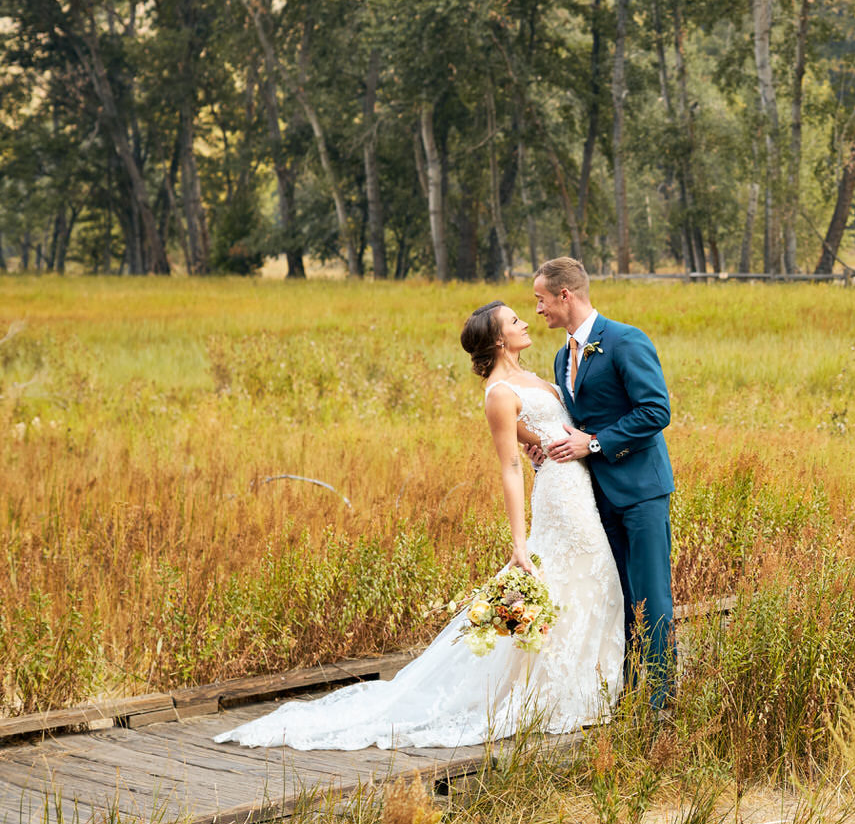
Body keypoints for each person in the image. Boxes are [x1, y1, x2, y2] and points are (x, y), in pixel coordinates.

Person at [213, 301, 623, 751]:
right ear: (499, 339)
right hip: (558, 498)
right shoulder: (499, 392)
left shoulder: (537, 376)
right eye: (514, 321)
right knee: (569, 575)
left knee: (589, 580)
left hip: (578, 483)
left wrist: (538, 442)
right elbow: (507, 466)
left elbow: (545, 430)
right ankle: (553, 695)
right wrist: (518, 543)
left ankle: (584, 691)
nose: (526, 321)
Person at [531, 257, 675, 710]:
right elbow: (576, 422)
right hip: (594, 497)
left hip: (640, 491)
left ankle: (659, 700)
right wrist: (549, 448)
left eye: (540, 300)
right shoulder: (561, 357)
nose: (537, 310)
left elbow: (655, 412)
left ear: (565, 295)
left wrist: (593, 445)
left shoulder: (625, 340)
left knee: (651, 594)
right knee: (618, 596)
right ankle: (626, 691)